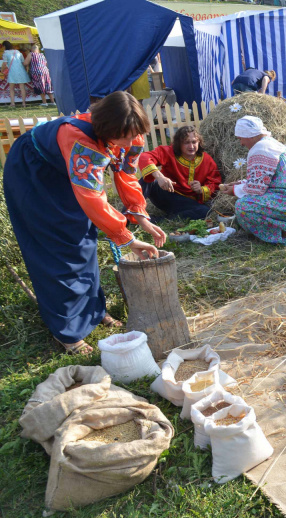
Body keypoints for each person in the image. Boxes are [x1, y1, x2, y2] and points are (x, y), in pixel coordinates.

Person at [3, 91, 166, 354]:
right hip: (35, 174)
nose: (127, 143)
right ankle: (68, 330)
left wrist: (140, 216)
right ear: (105, 128)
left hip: (65, 170)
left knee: (84, 237)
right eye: (121, 137)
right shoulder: (79, 138)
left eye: (132, 135)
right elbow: (92, 197)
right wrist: (127, 238)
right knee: (58, 246)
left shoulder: (130, 133)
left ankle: (93, 311)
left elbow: (126, 174)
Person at [219, 116, 286, 245]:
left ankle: (283, 233)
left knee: (243, 206)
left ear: (249, 135)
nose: (241, 143)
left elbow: (256, 189)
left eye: (240, 138)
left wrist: (234, 190)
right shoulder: (272, 144)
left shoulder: (260, 148)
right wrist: (241, 184)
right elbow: (266, 179)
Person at [138, 125, 221, 220]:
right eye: (186, 143)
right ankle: (131, 214)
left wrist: (201, 189)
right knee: (147, 181)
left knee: (205, 212)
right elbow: (144, 157)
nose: (191, 146)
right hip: (166, 195)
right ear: (179, 143)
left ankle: (159, 220)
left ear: (199, 142)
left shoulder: (207, 160)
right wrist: (159, 176)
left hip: (186, 203)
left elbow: (215, 183)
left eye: (194, 142)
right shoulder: (169, 152)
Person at [2, 41, 30, 108]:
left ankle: (13, 103)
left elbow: (4, 64)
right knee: (22, 88)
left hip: (12, 71)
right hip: (21, 71)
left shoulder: (5, 53)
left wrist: (1, 70)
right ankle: (24, 103)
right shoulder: (18, 52)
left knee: (11, 88)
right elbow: (23, 62)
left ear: (4, 46)